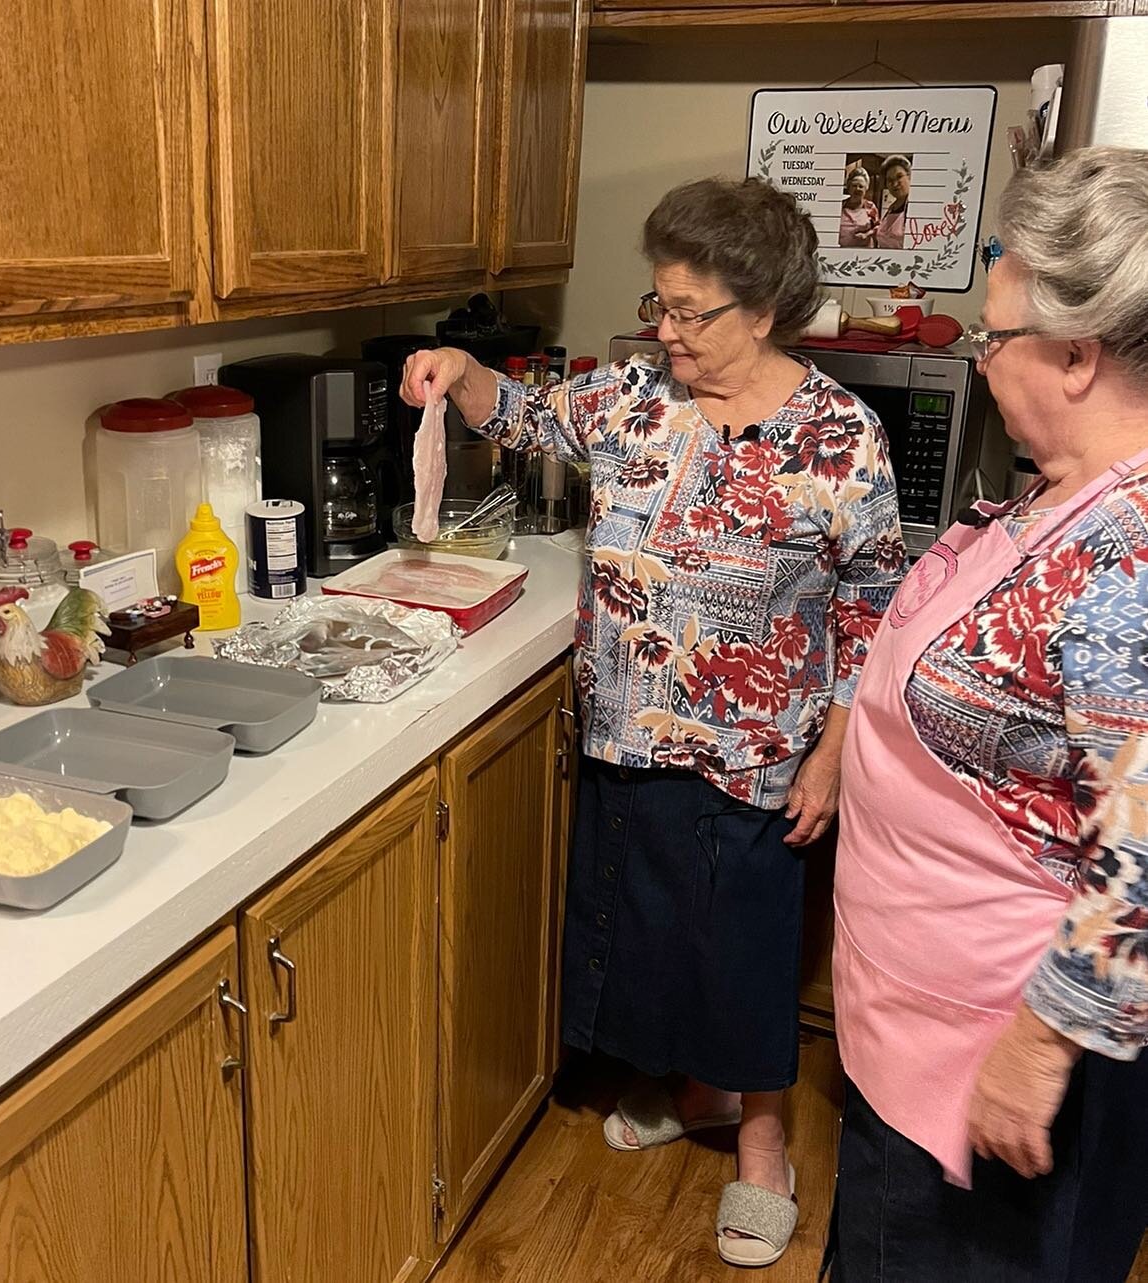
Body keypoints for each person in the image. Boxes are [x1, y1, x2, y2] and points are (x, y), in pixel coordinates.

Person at [402, 176, 906, 1268]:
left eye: (688, 312)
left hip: (754, 751)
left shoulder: (839, 436)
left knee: (743, 951)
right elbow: (527, 415)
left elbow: (872, 606)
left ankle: (762, 1143)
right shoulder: (633, 395)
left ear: (761, 311)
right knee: (646, 930)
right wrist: (459, 369)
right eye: (658, 304)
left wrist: (831, 754)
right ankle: (696, 1089)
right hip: (627, 731)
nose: (663, 331)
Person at [826, 146, 1148, 1282]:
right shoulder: (1064, 491)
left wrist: (1039, 1046)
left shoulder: (1131, 552)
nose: (979, 356)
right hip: (917, 1018)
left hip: (996, 1060)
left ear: (1075, 355)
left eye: (993, 335)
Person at [838, 168, 879, 249]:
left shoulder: (870, 207)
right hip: (842, 251)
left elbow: (878, 227)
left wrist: (866, 235)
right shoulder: (840, 205)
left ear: (866, 189)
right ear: (849, 187)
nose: (857, 189)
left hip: (864, 251)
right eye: (854, 186)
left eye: (861, 186)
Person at [875, 155, 910, 250]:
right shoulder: (891, 208)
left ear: (909, 177)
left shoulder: (915, 207)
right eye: (890, 180)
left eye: (899, 177)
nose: (894, 184)